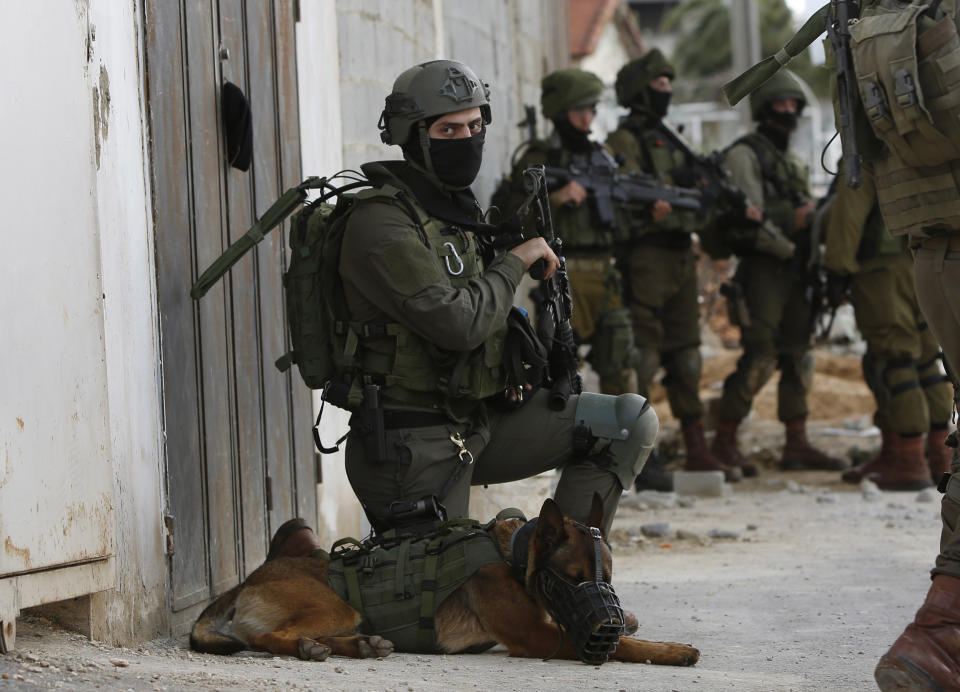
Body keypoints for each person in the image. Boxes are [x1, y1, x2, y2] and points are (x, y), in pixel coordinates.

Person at [331, 59, 657, 535]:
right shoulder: (381, 221)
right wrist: (516, 259)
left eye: (474, 125)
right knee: (468, 589)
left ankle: (571, 586)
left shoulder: (450, 212)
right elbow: (457, 323)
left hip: (476, 420)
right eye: (448, 129)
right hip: (412, 440)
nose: (466, 139)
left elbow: (484, 320)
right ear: (413, 136)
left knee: (626, 423)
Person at [606, 49, 741, 483]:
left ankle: (696, 444)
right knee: (643, 355)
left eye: (669, 84)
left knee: (686, 355)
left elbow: (693, 198)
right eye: (658, 85)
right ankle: (636, 452)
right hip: (646, 255)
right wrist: (660, 202)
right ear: (640, 91)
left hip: (683, 253)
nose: (666, 92)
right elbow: (619, 197)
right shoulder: (625, 141)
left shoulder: (670, 138)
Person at [712, 70, 848, 476]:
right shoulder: (744, 155)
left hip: (796, 270)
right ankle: (724, 440)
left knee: (799, 355)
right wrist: (794, 223)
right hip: (764, 269)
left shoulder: (789, 158)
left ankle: (797, 442)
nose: (787, 112)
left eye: (794, 106)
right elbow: (747, 218)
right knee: (761, 357)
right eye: (780, 105)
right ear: (763, 109)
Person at [501, 68, 650, 397]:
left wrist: (646, 210)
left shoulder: (603, 156)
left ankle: (623, 439)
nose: (588, 118)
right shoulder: (539, 159)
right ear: (561, 113)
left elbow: (624, 223)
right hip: (563, 277)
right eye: (580, 110)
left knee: (621, 364)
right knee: (560, 372)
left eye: (592, 110)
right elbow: (510, 222)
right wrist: (555, 198)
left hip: (608, 275)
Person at [823, 162, 953, 491]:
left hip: (880, 271)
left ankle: (909, 460)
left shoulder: (865, 156)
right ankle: (941, 455)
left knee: (896, 359)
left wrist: (838, 268)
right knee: (926, 358)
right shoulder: (915, 146)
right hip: (922, 260)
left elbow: (847, 216)